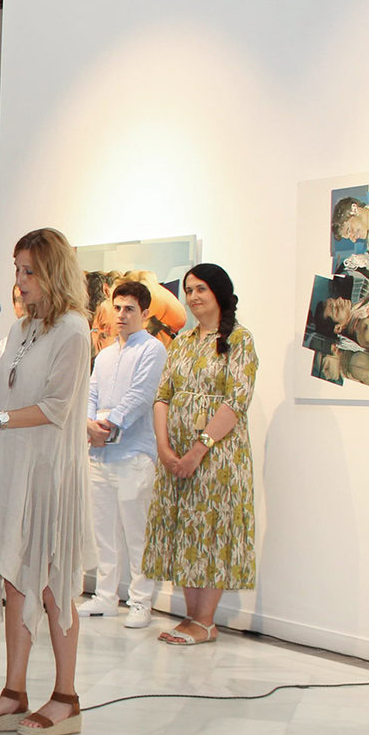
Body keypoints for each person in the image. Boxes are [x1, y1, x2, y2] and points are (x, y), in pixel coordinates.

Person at [0, 228, 95, 735]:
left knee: (53, 583)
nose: (19, 282)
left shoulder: (73, 331)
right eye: (17, 270)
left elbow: (55, 408)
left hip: (49, 474)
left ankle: (66, 698)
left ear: (54, 272)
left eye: (29, 271)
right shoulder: (18, 331)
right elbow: (4, 394)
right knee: (17, 579)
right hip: (12, 469)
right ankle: (13, 693)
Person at [143, 263, 258, 646]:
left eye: (201, 289)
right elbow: (163, 395)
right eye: (189, 290)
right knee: (185, 529)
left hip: (218, 458)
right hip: (175, 456)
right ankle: (193, 618)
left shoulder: (240, 340)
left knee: (210, 531)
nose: (192, 297)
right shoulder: (184, 340)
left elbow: (236, 402)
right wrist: (164, 447)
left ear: (220, 293)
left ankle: (206, 621)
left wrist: (197, 450)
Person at [81, 280, 167, 630]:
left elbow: (141, 396)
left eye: (129, 309)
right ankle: (104, 596)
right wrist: (88, 425)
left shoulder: (152, 350)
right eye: (117, 307)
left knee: (136, 533)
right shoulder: (104, 354)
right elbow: (91, 392)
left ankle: (141, 601)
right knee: (103, 531)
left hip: (134, 454)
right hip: (100, 456)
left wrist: (105, 425)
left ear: (145, 314)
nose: (121, 315)